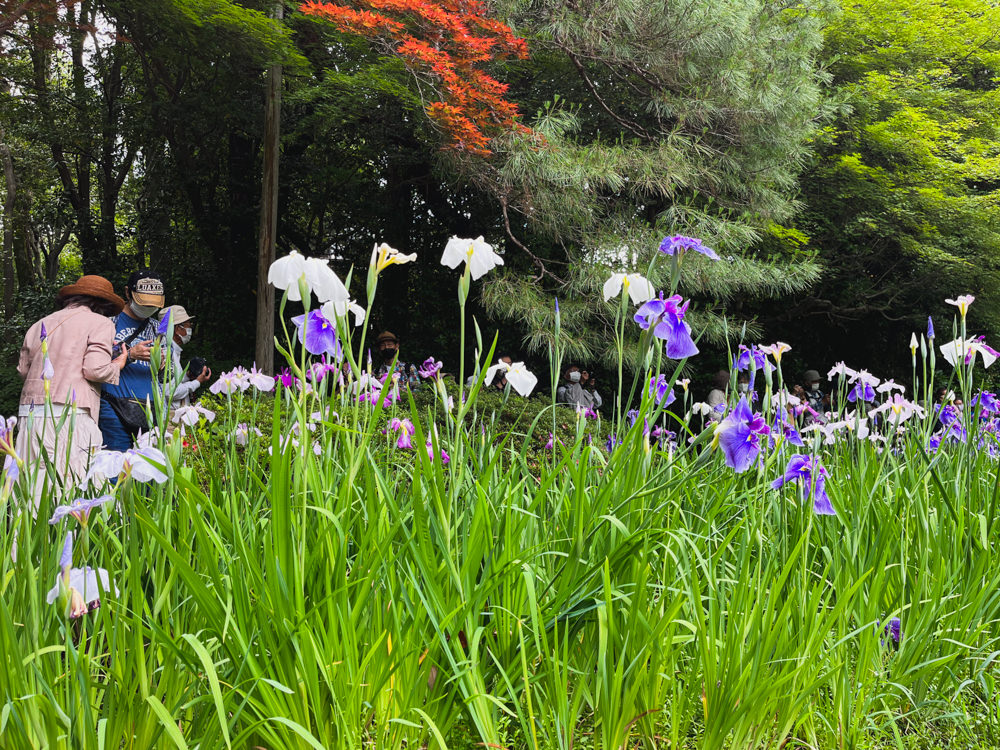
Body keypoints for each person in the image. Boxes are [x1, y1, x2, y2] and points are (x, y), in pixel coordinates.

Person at [15, 275, 130, 507]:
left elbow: (23, 370)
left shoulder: (39, 324)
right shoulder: (100, 323)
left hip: (30, 415)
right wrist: (119, 363)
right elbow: (95, 370)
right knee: (79, 488)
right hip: (71, 416)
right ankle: (80, 542)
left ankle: (29, 543)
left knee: (33, 492)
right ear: (103, 305)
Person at [99, 269, 166, 451]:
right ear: (128, 292)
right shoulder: (108, 322)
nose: (148, 308)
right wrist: (129, 356)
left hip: (150, 409)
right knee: (117, 471)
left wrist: (163, 366)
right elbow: (95, 365)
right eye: (143, 301)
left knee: (149, 472)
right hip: (113, 407)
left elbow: (169, 377)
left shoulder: (158, 329)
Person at [159, 305, 211, 407]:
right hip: (167, 418)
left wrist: (187, 376)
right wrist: (197, 382)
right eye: (188, 325)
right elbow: (170, 392)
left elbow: (171, 382)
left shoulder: (173, 351)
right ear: (178, 328)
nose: (190, 329)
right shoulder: (165, 353)